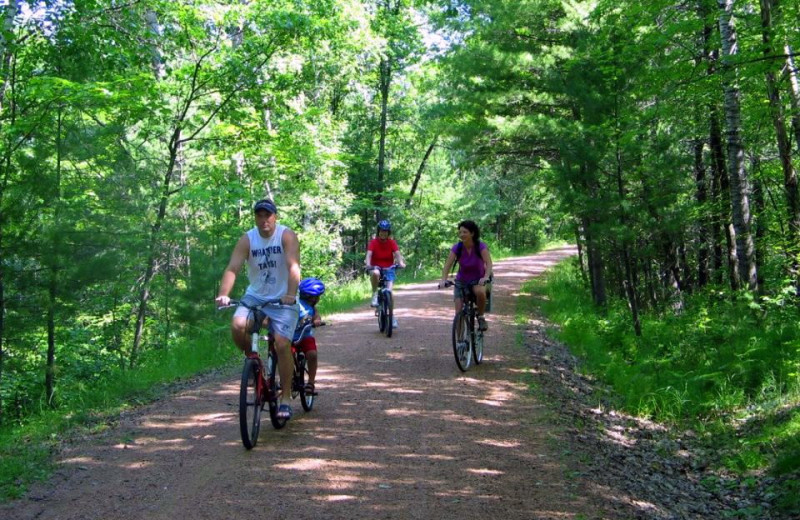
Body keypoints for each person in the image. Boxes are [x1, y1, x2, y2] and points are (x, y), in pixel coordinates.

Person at [215, 199, 301, 421]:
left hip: (283, 297)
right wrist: (224, 293)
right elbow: (233, 267)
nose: (264, 220)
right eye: (260, 215)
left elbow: (293, 266)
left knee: (282, 343)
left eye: (268, 215)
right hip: (255, 295)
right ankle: (253, 362)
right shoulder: (248, 239)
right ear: (255, 217)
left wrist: (291, 294)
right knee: (237, 325)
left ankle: (286, 398)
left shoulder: (286, 235)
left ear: (275, 216)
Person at [438, 220, 493, 331]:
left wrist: (486, 277)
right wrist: (443, 280)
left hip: (478, 280)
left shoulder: (480, 247)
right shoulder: (457, 248)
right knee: (458, 312)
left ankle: (481, 317)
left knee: (481, 292)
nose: (462, 234)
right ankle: (460, 342)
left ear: (472, 233)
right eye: (460, 232)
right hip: (461, 281)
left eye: (465, 232)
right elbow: (447, 265)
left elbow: (489, 263)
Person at [365, 219, 406, 328]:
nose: (384, 233)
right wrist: (368, 264)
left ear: (388, 233)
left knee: (389, 291)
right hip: (376, 267)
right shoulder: (373, 242)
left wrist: (401, 263)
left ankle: (391, 316)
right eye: (382, 231)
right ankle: (374, 294)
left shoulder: (391, 242)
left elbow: (397, 254)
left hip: (389, 268)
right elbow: (369, 255)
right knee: (375, 273)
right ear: (378, 231)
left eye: (386, 231)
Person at [293, 277, 325, 396]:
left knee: (312, 354)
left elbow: (317, 315)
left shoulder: (312, 307)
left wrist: (317, 320)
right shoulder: (295, 303)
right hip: (290, 337)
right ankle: (287, 377)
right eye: (316, 297)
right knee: (286, 355)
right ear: (309, 296)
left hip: (304, 336)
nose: (317, 299)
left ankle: (311, 382)